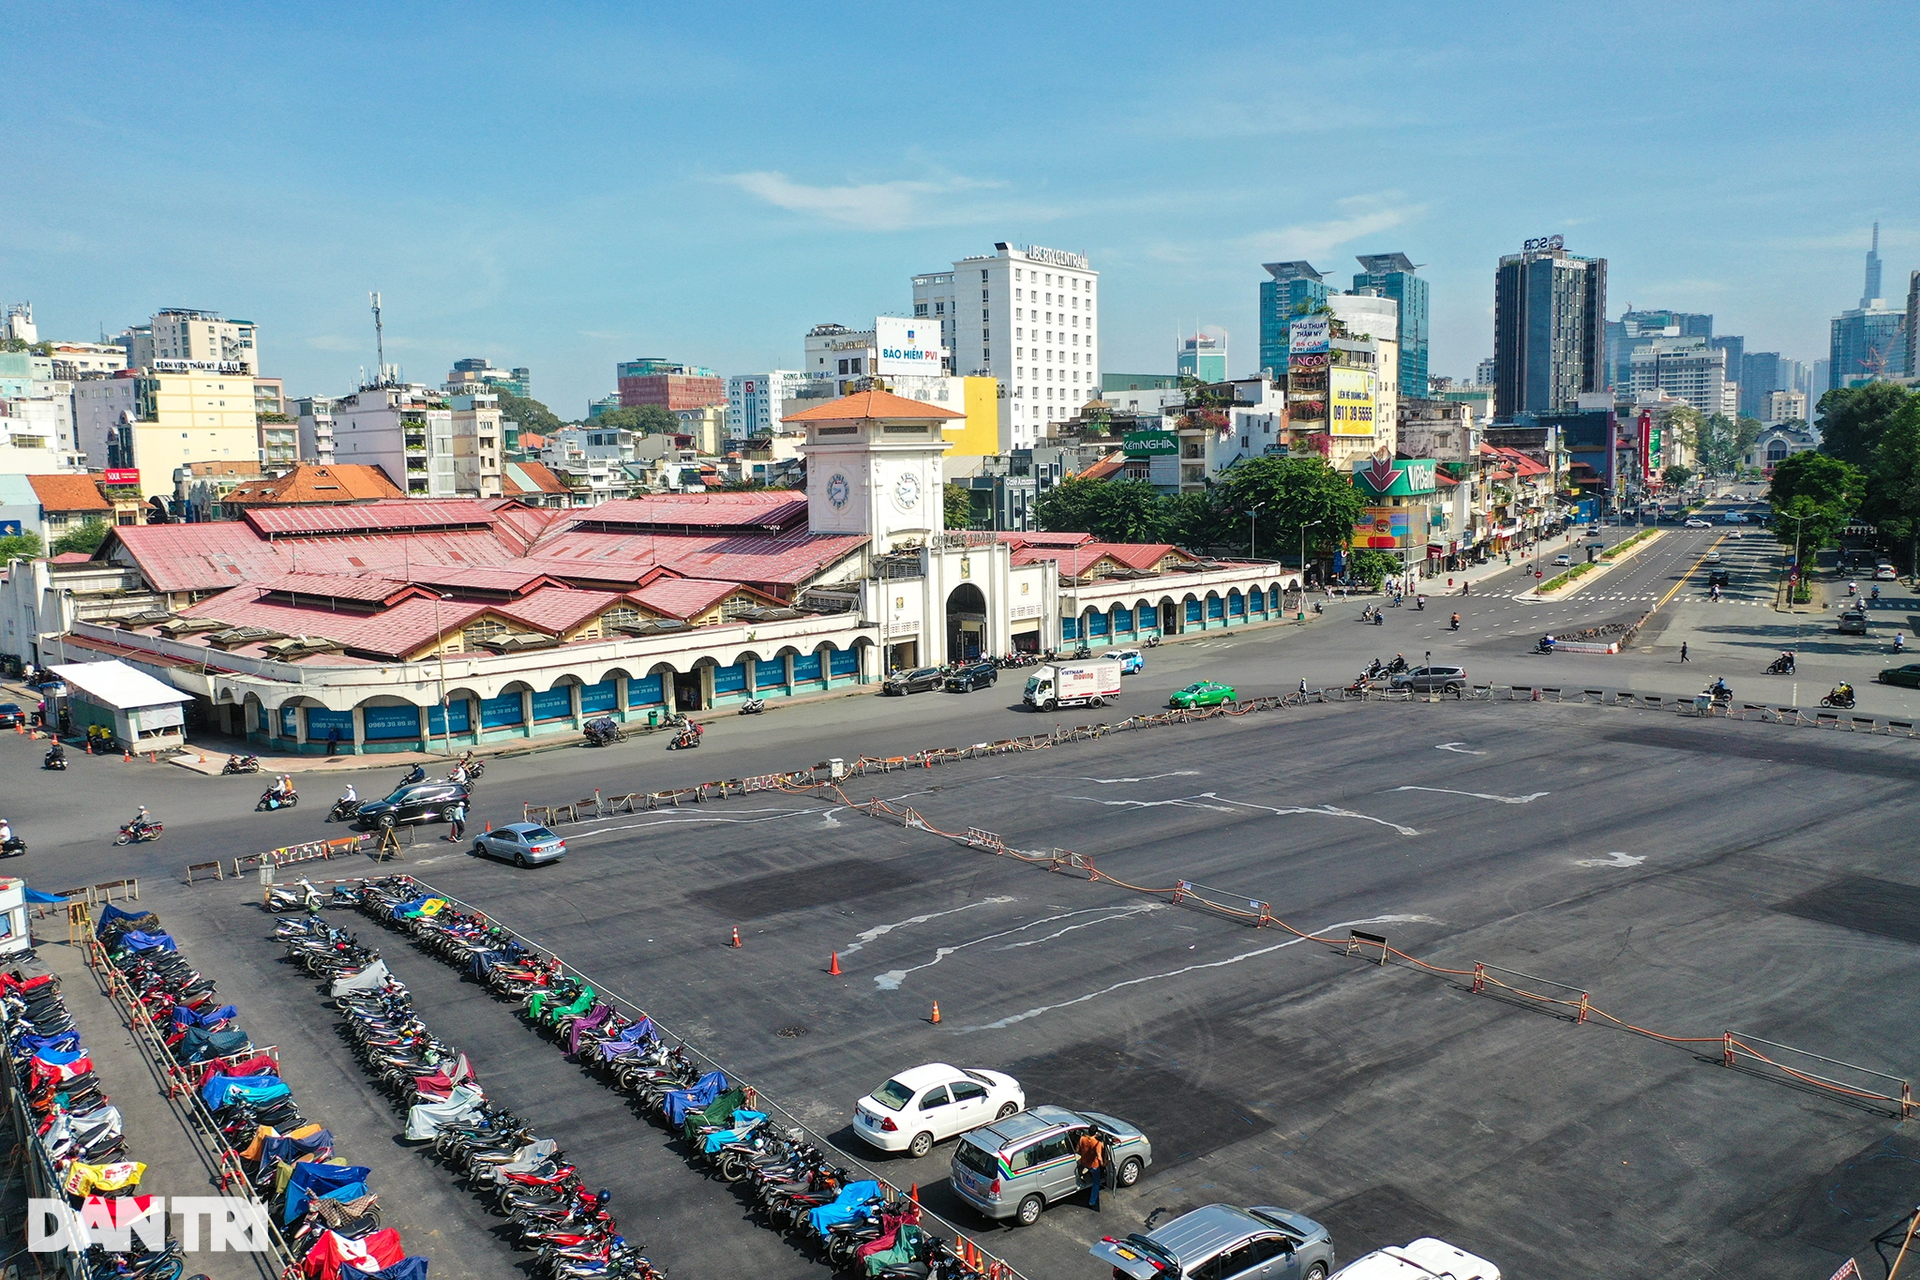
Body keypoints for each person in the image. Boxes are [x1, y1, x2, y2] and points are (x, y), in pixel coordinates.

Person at [1076, 1129, 1105, 1211]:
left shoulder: (1082, 1138)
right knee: (1096, 1183)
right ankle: (1092, 1201)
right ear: (1096, 1133)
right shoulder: (1097, 1143)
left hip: (1083, 1162)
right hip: (1093, 1166)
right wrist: (1103, 1163)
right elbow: (1099, 1157)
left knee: (1082, 1171)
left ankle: (1083, 1177)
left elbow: (1077, 1149)